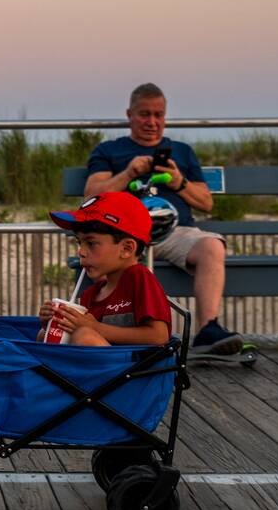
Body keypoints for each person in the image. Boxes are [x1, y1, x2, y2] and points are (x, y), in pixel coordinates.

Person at [84, 83, 243, 356]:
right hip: (126, 235)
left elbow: (206, 202)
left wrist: (179, 181)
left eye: (159, 115)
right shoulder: (110, 150)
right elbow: (90, 197)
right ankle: (110, 332)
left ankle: (207, 330)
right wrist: (129, 172)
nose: (152, 122)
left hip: (174, 232)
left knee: (212, 246)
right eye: (144, 114)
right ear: (129, 115)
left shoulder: (181, 152)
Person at [41, 192, 172, 346]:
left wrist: (94, 327)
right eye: (79, 242)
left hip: (135, 367)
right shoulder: (90, 294)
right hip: (101, 363)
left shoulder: (139, 277)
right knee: (42, 335)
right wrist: (55, 324)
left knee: (84, 336)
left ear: (126, 249)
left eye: (91, 243)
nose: (81, 252)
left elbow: (158, 336)